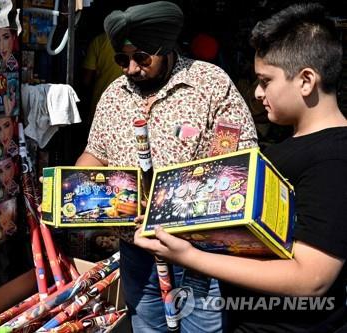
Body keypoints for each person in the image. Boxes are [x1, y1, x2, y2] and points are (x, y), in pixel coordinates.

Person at [134, 3, 347, 331]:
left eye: (265, 81)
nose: (258, 92)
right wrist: (171, 220)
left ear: (306, 80)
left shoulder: (333, 159)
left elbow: (311, 278)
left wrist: (189, 257)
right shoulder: (291, 148)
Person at [76, 2, 258, 331]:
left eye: (142, 58)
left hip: (199, 253)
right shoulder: (114, 94)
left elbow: (236, 167)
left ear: (167, 47)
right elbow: (95, 155)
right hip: (137, 250)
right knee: (146, 326)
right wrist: (75, 192)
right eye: (122, 59)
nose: (130, 69)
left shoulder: (210, 86)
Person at [82, 32, 123, 120]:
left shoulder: (99, 41)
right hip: (127, 99)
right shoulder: (135, 40)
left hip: (102, 97)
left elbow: (87, 79)